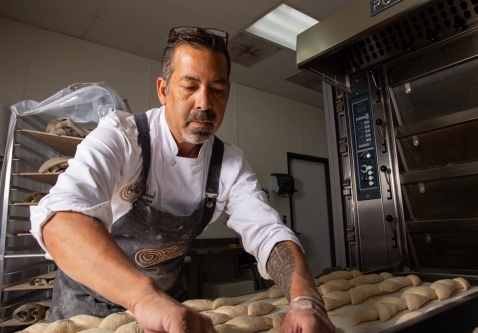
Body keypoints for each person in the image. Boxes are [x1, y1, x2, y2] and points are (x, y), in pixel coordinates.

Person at [30, 27, 335, 333]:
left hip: (168, 303)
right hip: (89, 306)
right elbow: (60, 219)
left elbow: (267, 230)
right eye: (189, 87)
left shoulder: (228, 163)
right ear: (163, 90)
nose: (204, 103)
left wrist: (305, 299)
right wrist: (143, 297)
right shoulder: (122, 136)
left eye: (217, 90)